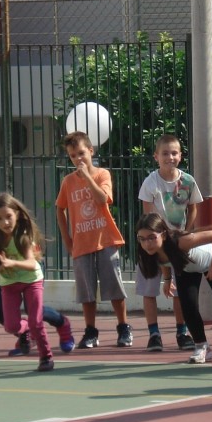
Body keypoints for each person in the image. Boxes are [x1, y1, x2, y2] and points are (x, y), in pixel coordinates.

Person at [134, 213, 212, 364]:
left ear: (162, 235)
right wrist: (168, 279)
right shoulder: (148, 252)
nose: (147, 243)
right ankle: (202, 346)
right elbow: (165, 261)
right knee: (188, 307)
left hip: (211, 260)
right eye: (142, 239)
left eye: (151, 237)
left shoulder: (181, 242)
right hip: (186, 269)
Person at [0, 205, 74, 356]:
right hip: (6, 273)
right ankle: (26, 334)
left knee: (33, 311)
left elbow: (30, 259)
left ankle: (62, 323)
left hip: (28, 268)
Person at [55, 130, 130, 349]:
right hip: (82, 242)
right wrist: (67, 239)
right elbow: (60, 209)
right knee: (86, 291)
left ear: (90, 151)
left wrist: (87, 176)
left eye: (81, 153)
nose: (78, 159)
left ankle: (123, 327)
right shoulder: (68, 182)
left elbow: (102, 199)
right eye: (72, 156)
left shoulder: (102, 174)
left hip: (105, 238)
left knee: (114, 287)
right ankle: (90, 331)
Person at [0, 192, 54, 371]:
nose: (5, 222)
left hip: (31, 281)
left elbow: (31, 263)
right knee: (10, 326)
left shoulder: (24, 234)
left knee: (36, 321)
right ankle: (27, 330)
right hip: (8, 284)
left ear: (18, 214)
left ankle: (46, 357)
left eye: (8, 217)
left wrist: (11, 262)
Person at [137, 134, 201, 351]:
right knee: (150, 289)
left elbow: (193, 207)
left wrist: (185, 232)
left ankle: (182, 332)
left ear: (180, 156)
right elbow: (147, 215)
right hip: (153, 243)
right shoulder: (150, 182)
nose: (170, 157)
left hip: (176, 244)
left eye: (174, 153)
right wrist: (153, 238)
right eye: (165, 153)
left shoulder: (188, 181)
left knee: (179, 289)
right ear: (156, 156)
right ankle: (154, 334)